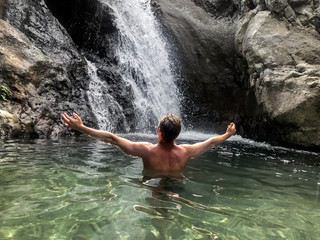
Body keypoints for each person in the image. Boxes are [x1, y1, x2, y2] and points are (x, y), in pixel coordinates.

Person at [61, 113, 236, 172]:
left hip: (152, 185)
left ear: (158, 131)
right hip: (177, 184)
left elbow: (111, 138)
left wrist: (82, 128)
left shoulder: (146, 150)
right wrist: (228, 135)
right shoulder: (186, 151)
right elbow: (212, 142)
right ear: (178, 134)